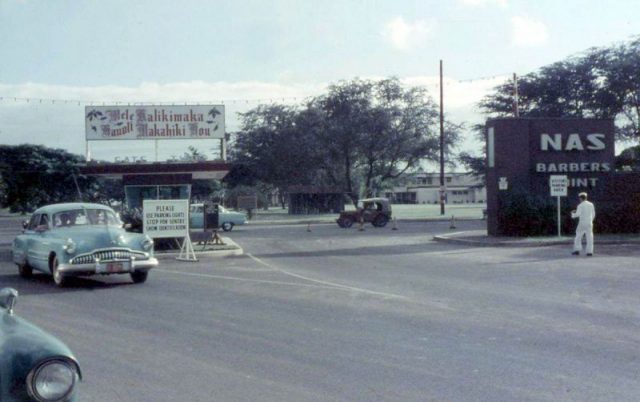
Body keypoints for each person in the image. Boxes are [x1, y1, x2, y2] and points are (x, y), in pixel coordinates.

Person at [571, 192, 596, 256]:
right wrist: (591, 220)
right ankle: (589, 252)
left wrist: (572, 214)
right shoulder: (591, 204)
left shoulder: (580, 205)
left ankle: (577, 250)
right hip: (589, 223)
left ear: (580, 198)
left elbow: (578, 214)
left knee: (578, 236)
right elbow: (593, 214)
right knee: (590, 237)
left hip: (582, 223)